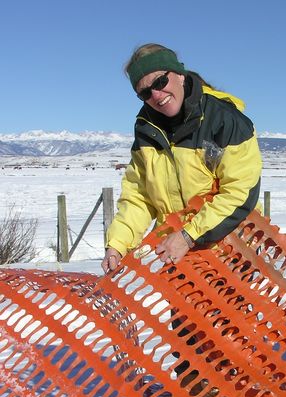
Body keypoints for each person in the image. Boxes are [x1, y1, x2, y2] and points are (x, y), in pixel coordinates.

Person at [101, 43, 262, 274]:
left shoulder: (224, 120)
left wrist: (188, 236)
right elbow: (139, 197)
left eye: (159, 82)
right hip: (178, 262)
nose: (156, 95)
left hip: (231, 257)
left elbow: (240, 192)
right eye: (145, 93)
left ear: (179, 74)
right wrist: (117, 244)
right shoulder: (147, 131)